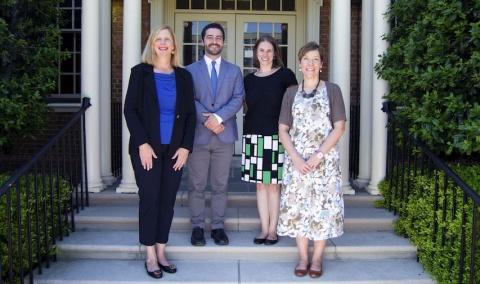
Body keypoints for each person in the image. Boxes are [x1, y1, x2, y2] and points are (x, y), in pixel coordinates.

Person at [124, 25, 196, 279]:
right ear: (152, 44)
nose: (163, 43)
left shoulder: (184, 77)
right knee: (150, 199)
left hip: (175, 150)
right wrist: (142, 143)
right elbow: (130, 110)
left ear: (174, 46)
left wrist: (186, 147)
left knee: (167, 200)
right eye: (159, 39)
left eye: (168, 39)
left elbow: (190, 116)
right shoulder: (140, 73)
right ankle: (150, 254)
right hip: (147, 150)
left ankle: (162, 250)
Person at [277, 41, 346, 278]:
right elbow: (283, 129)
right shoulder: (290, 93)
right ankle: (303, 257)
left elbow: (339, 127)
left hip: (324, 163)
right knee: (298, 210)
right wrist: (295, 158)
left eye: (315, 59)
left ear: (321, 64)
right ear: (299, 64)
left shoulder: (333, 90)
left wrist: (318, 156)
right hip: (297, 163)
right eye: (306, 59)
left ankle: (316, 259)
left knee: (322, 210)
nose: (310, 64)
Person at [186, 23, 244, 246]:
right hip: (198, 136)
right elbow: (188, 99)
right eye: (209, 37)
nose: (214, 41)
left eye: (218, 37)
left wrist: (218, 118)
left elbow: (238, 98)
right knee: (197, 184)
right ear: (203, 41)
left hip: (224, 135)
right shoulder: (190, 71)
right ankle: (198, 226)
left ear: (223, 41)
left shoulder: (234, 71)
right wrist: (207, 119)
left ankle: (218, 227)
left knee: (220, 185)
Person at [241, 35, 297, 245]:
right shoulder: (248, 80)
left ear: (275, 54)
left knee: (273, 185)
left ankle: (273, 229)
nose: (265, 54)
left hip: (277, 137)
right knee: (260, 186)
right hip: (253, 136)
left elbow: (295, 106)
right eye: (261, 50)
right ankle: (264, 228)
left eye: (269, 51)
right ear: (256, 53)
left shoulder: (285, 75)